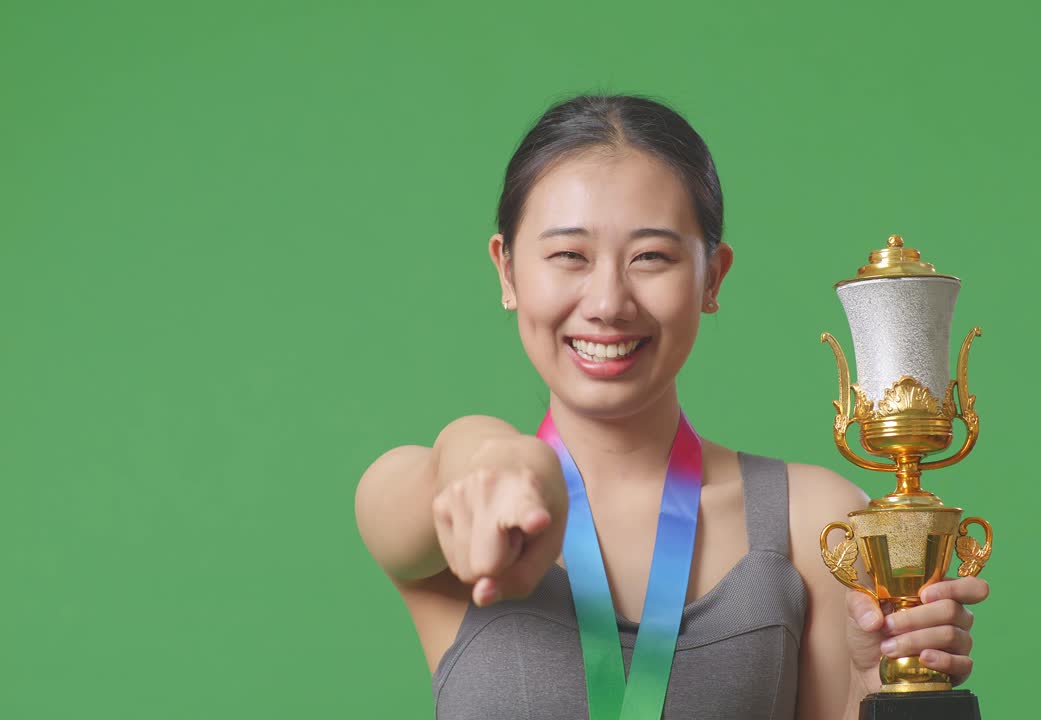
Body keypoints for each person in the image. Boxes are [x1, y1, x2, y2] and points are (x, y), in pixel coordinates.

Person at [353, 94, 990, 719]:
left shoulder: (818, 527)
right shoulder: (455, 511)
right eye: (569, 255)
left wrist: (876, 685)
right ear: (507, 271)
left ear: (712, 277)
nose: (608, 302)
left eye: (651, 257)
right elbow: (437, 480)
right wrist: (488, 448)